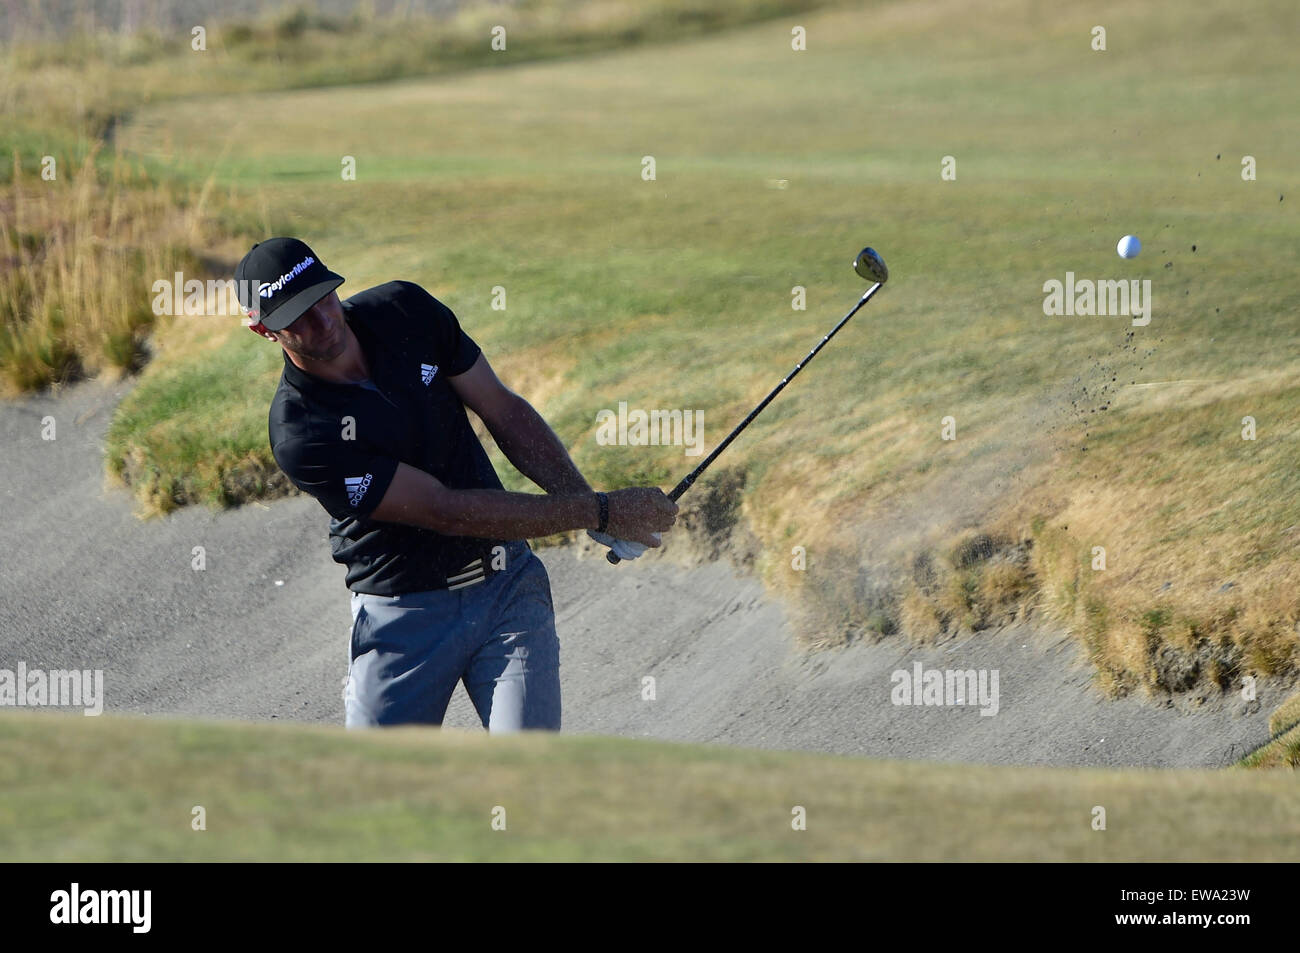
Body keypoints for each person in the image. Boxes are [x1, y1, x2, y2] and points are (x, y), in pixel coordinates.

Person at [235, 237, 677, 731]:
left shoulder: (406, 310)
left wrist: (579, 497)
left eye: (323, 298)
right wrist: (597, 511)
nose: (322, 321)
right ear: (262, 329)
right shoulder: (302, 433)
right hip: (403, 618)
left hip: (507, 589)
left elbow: (501, 408)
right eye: (297, 317)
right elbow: (445, 510)